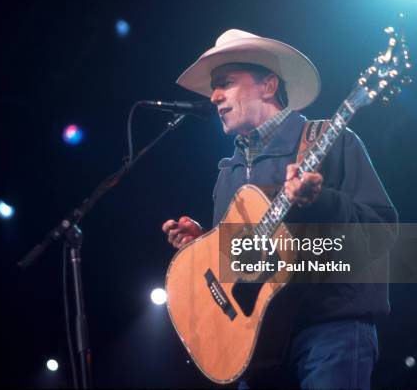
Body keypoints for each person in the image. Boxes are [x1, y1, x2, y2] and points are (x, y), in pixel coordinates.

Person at [162, 29, 398, 389]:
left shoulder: (331, 141)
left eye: (225, 83)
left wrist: (321, 202)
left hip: (329, 331)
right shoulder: (229, 173)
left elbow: (381, 232)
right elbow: (243, 264)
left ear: (268, 86)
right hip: (256, 347)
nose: (214, 97)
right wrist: (204, 246)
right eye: (214, 87)